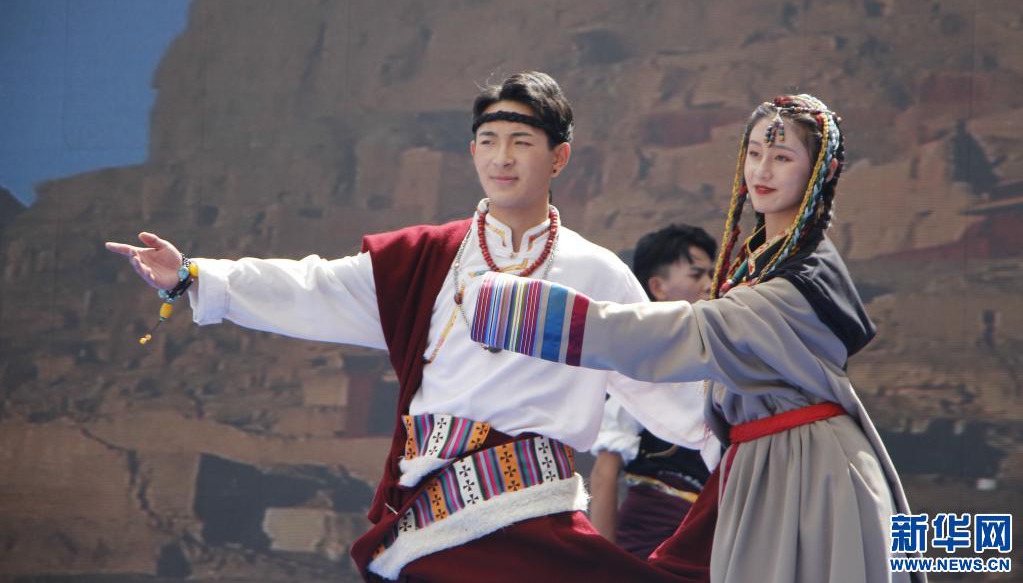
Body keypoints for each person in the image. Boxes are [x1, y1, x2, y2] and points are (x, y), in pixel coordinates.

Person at [106, 71, 708, 582]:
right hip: (433, 528)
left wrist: (745, 444)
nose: (501, 157)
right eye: (489, 140)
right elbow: (313, 287)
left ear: (558, 157)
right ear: (472, 151)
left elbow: (665, 385)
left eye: (521, 141)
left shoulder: (596, 272)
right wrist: (194, 275)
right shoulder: (427, 259)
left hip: (540, 524)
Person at [469, 94, 925, 582]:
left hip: (808, 471)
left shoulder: (801, 281)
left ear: (822, 171)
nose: (762, 170)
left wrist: (530, 314)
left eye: (782, 157)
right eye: (754, 153)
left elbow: (690, 334)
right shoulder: (762, 261)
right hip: (762, 462)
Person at [589, 224, 717, 559]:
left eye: (711, 274)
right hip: (653, 539)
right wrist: (603, 565)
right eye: (697, 275)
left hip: (712, 535)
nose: (709, 284)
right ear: (658, 287)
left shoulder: (720, 357)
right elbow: (604, 474)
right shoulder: (640, 367)